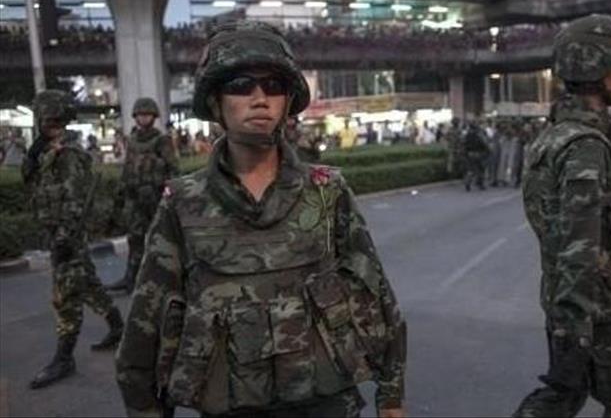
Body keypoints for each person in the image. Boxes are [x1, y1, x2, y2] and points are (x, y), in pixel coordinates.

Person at [115, 21, 406, 418]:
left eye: (273, 86)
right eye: (240, 85)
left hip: (326, 402)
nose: (259, 98)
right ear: (215, 101)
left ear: (288, 101)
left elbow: (375, 292)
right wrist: (144, 406)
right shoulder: (182, 203)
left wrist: (391, 394)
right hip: (231, 405)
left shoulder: (327, 190)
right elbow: (147, 319)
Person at [514, 14, 611, 418]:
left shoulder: (560, 134)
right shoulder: (585, 145)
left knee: (564, 397)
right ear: (592, 66)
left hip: (576, 304)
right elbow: (579, 244)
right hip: (596, 310)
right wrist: (576, 328)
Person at [23, 90, 123, 389]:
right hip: (58, 232)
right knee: (88, 284)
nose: (50, 126)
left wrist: (65, 239)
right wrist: (33, 155)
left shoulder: (69, 155)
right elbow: (32, 182)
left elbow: (75, 201)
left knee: (65, 297)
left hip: (68, 235)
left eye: (54, 121)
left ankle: (64, 358)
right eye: (47, 121)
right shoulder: (44, 152)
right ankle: (118, 326)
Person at [106, 97, 179, 294]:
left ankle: (165, 280)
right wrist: (120, 195)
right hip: (136, 198)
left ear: (154, 117)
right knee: (135, 239)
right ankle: (131, 278)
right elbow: (128, 168)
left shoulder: (162, 140)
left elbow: (173, 168)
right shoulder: (132, 140)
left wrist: (170, 194)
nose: (143, 118)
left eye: (147, 115)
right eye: (140, 115)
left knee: (161, 239)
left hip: (155, 197)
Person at [462, 121, 490, 191]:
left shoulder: (467, 135)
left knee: (470, 169)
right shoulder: (478, 135)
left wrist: (465, 153)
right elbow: (484, 143)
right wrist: (488, 150)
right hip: (478, 154)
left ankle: (468, 182)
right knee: (481, 169)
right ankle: (480, 184)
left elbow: (464, 144)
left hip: (469, 154)